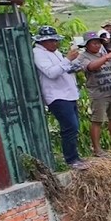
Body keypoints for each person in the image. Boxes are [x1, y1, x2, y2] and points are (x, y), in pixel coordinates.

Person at [31, 26, 88, 170]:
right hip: (57, 96)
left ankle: (75, 157)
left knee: (74, 127)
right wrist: (68, 59)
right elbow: (51, 73)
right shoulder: (38, 53)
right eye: (52, 41)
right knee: (70, 127)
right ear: (43, 41)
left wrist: (74, 64)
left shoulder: (54, 52)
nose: (55, 44)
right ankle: (71, 159)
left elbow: (64, 68)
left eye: (56, 40)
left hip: (68, 93)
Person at [77, 31, 111, 155]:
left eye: (98, 43)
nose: (97, 45)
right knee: (97, 120)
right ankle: (97, 148)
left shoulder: (103, 54)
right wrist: (107, 56)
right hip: (98, 93)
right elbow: (91, 67)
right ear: (86, 45)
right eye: (94, 43)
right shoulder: (84, 57)